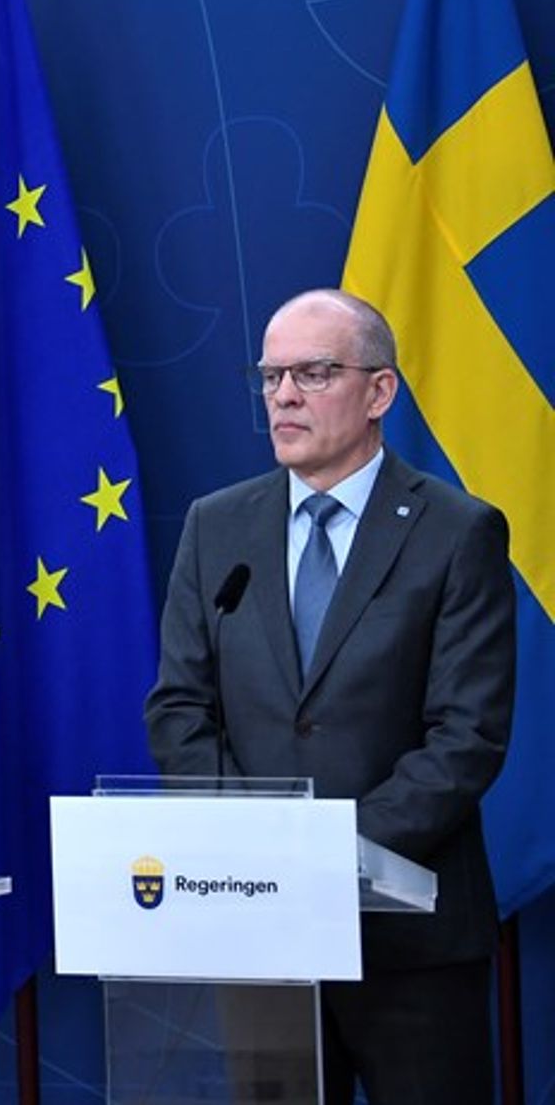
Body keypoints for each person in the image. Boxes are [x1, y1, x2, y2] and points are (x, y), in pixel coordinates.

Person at [145, 288, 514, 1105]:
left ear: (380, 391)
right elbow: (178, 708)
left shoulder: (458, 531)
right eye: (272, 375)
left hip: (409, 941)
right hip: (261, 927)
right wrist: (260, 848)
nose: (284, 394)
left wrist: (327, 860)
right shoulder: (217, 525)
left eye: (313, 372)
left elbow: (467, 735)